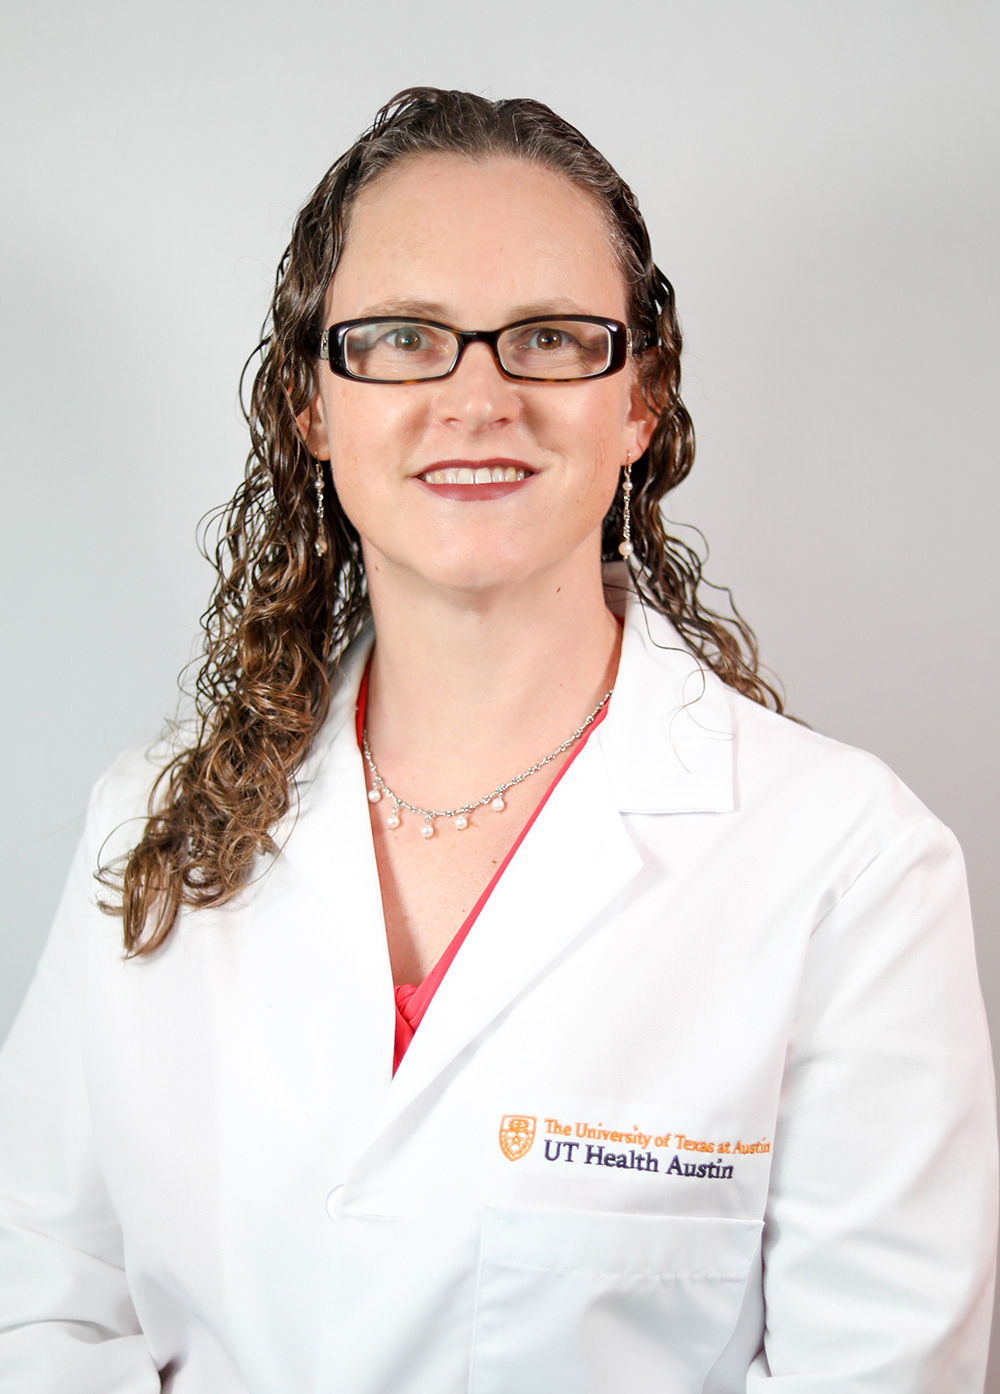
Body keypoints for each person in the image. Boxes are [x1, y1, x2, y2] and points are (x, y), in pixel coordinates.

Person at [0, 86, 995, 1393]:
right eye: (405, 337)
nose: (478, 395)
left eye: (549, 338)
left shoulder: (851, 869)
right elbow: (42, 1314)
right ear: (314, 405)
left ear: (638, 401)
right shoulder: (145, 830)